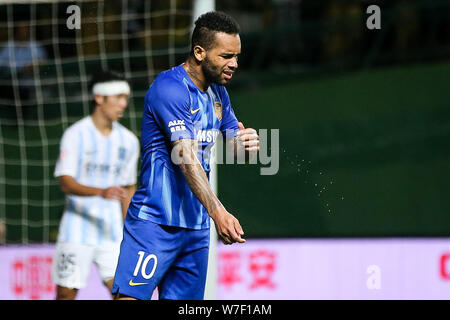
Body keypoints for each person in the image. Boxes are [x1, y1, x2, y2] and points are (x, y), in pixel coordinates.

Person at [112, 11, 260, 300]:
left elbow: (234, 148)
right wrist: (218, 211)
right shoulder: (170, 89)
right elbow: (186, 158)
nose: (234, 64)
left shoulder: (218, 93)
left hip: (195, 229)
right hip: (155, 222)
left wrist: (245, 144)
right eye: (226, 56)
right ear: (200, 52)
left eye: (237, 56)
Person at [52, 70, 140, 300]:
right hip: (75, 231)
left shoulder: (129, 141)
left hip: (111, 232)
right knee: (66, 294)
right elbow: (65, 182)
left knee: (124, 293)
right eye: (118, 97)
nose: (123, 104)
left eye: (126, 98)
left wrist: (128, 232)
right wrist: (100, 192)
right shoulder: (75, 134)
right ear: (99, 98)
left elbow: (128, 189)